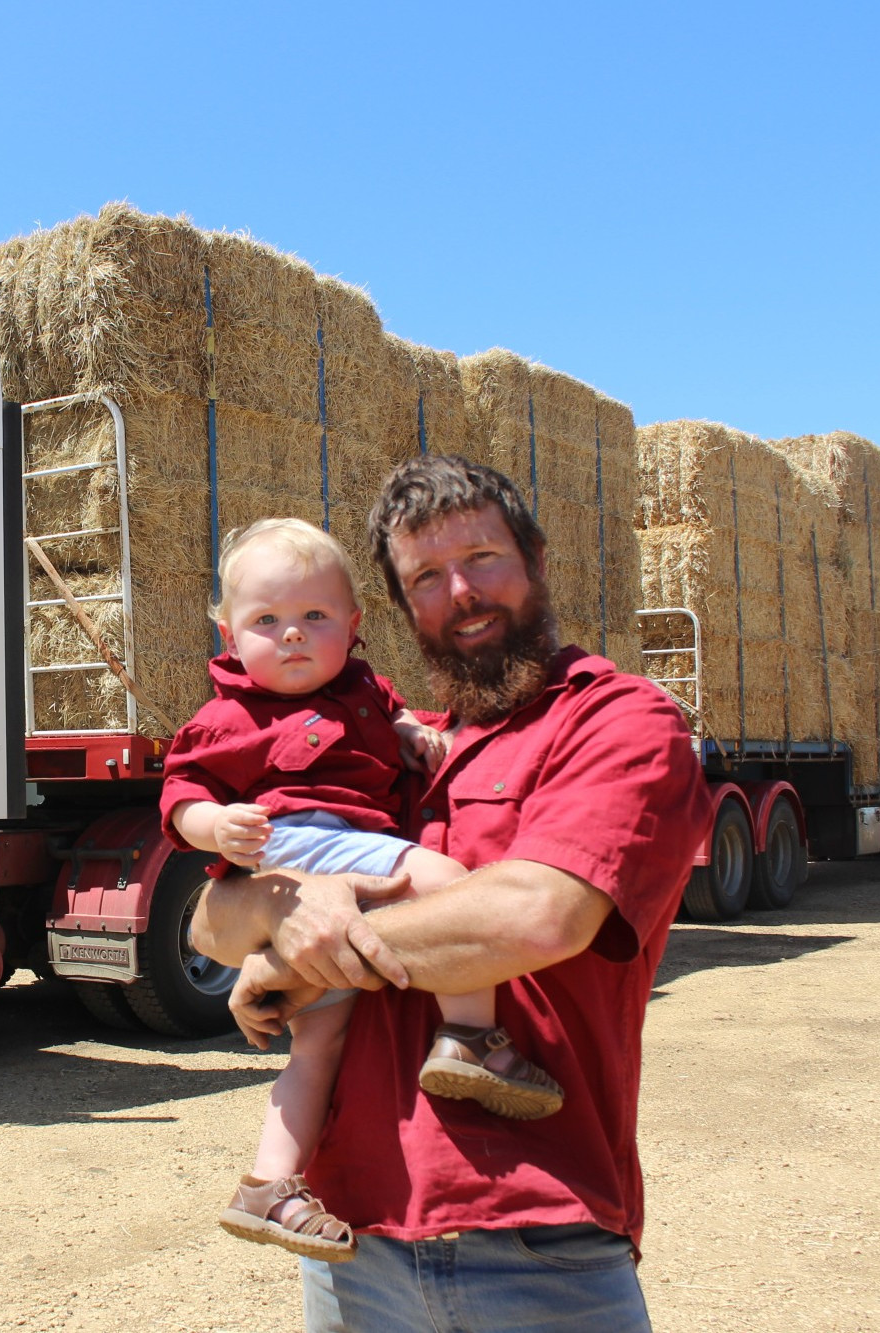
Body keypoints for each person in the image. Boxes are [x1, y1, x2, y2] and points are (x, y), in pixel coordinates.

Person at [189, 457, 712, 1333]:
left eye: (484, 558)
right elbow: (210, 922)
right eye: (427, 576)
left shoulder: (616, 720)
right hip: (354, 1234)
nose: (461, 591)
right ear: (396, 609)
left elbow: (534, 917)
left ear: (538, 559)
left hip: (536, 1232)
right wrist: (284, 910)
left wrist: (288, 952)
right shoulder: (395, 753)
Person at [158, 518, 562, 1266]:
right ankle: (472, 1035)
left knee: (319, 1042)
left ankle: (268, 1184)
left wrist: (408, 730)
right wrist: (217, 825)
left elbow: (393, 711)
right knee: (443, 885)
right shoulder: (229, 716)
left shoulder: (366, 689)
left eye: (314, 617)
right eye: (265, 621)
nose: (291, 636)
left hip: (334, 844)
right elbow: (180, 796)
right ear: (226, 633)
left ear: (354, 624)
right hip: (294, 837)